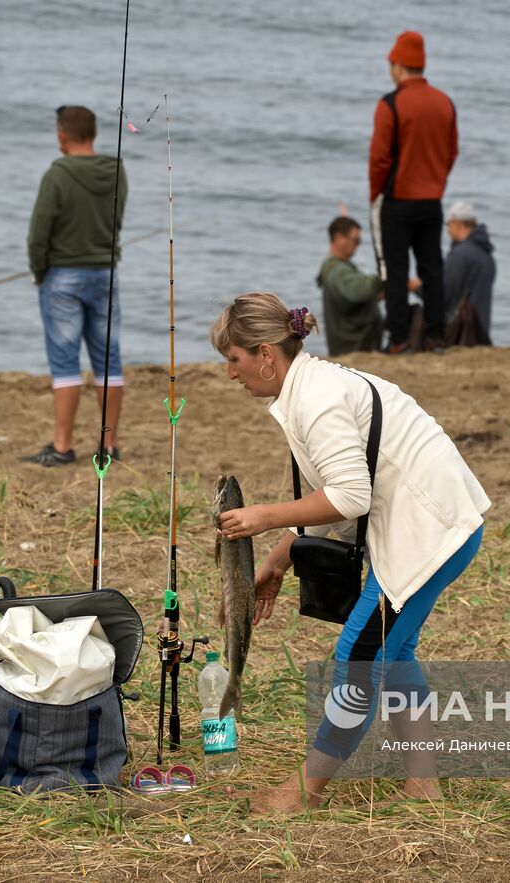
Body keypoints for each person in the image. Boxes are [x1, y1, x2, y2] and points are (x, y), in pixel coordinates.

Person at [210, 292, 490, 814]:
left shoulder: (317, 400)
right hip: (432, 525)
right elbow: (340, 493)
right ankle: (424, 784)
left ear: (266, 354)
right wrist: (280, 554)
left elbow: (350, 497)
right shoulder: (307, 388)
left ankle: (305, 791)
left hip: (430, 534)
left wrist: (264, 516)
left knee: (357, 656)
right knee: (393, 651)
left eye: (234, 359)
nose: (231, 373)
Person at [25, 105, 129, 466]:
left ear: (62, 136)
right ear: (94, 134)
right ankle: (109, 446)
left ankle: (63, 445)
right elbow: (115, 221)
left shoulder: (58, 174)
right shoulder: (116, 171)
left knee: (65, 362)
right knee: (108, 361)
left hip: (63, 275)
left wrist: (41, 272)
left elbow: (39, 232)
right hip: (105, 273)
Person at [369, 30, 458, 355]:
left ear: (399, 65)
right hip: (431, 200)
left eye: (391, 64)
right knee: (432, 268)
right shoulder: (444, 102)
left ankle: (400, 340)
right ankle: (436, 337)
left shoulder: (390, 104)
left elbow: (379, 158)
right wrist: (437, 181)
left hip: (397, 199)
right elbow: (451, 152)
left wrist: (376, 193)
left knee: (396, 271)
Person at [317, 216, 384, 356]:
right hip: (352, 347)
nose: (358, 245)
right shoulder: (338, 271)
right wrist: (384, 278)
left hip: (351, 345)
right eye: (355, 240)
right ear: (339, 238)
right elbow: (358, 291)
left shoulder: (336, 267)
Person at [438, 201, 495, 345]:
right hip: (481, 331)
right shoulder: (487, 254)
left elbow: (445, 295)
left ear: (457, 225)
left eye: (448, 225)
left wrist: (418, 287)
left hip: (462, 332)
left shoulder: (460, 255)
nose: (447, 230)